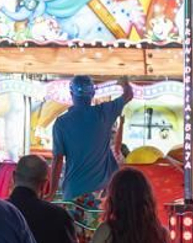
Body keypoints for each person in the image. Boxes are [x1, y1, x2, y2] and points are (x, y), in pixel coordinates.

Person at [51, 75, 133, 217]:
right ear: (93, 94)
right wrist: (124, 83)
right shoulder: (104, 113)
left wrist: (52, 192)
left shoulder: (61, 123)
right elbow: (128, 95)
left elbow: (57, 159)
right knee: (100, 235)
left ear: (71, 94)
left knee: (73, 236)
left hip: (73, 191)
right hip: (101, 194)